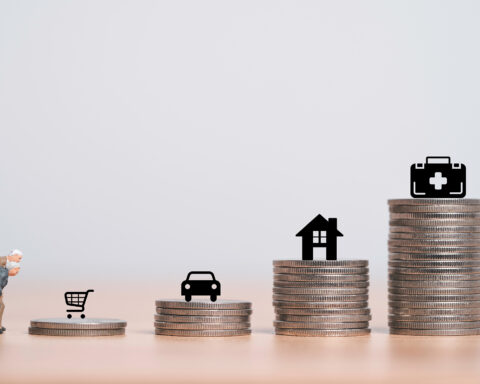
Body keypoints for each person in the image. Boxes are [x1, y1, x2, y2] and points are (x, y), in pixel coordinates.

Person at [0, 249, 23, 334]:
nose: (19, 260)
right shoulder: (2, 263)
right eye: (19, 258)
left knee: (1, 306)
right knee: (1, 305)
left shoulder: (5, 267)